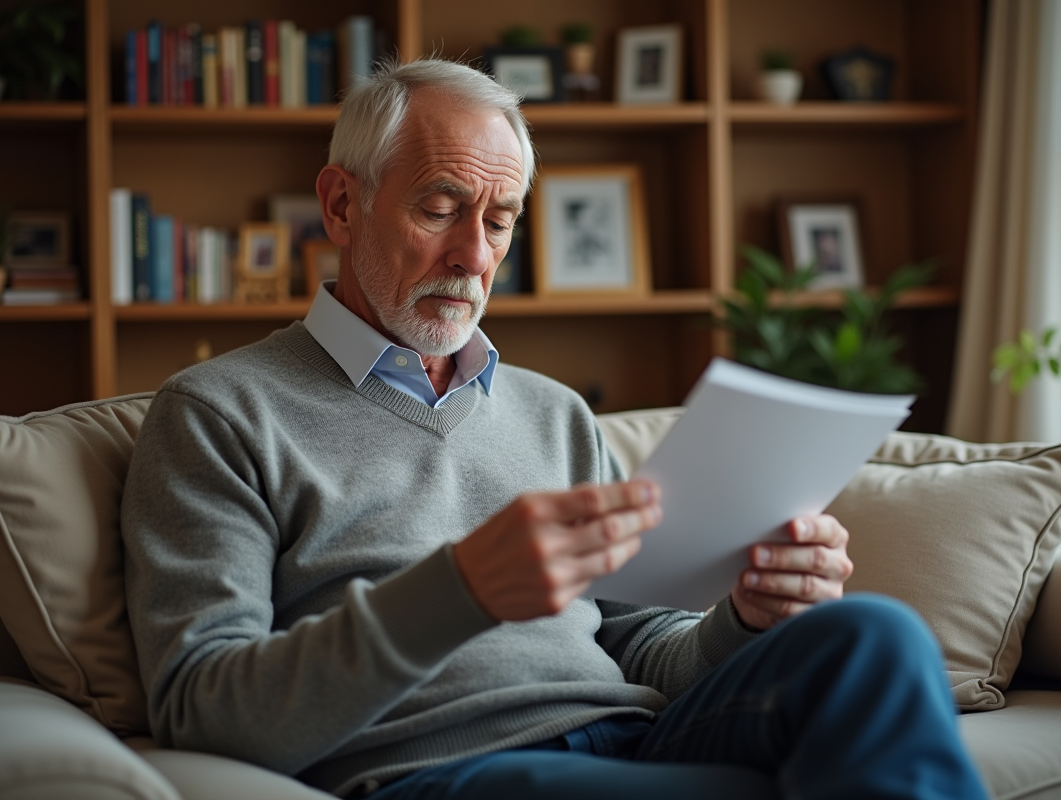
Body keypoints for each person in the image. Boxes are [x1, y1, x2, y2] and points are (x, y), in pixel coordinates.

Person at [122, 58, 988, 800]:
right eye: (439, 208)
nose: (474, 256)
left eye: (497, 222)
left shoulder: (553, 412)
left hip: (635, 740)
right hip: (447, 771)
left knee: (876, 636)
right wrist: (460, 589)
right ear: (342, 206)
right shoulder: (218, 412)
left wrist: (744, 621)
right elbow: (204, 706)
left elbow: (640, 644)